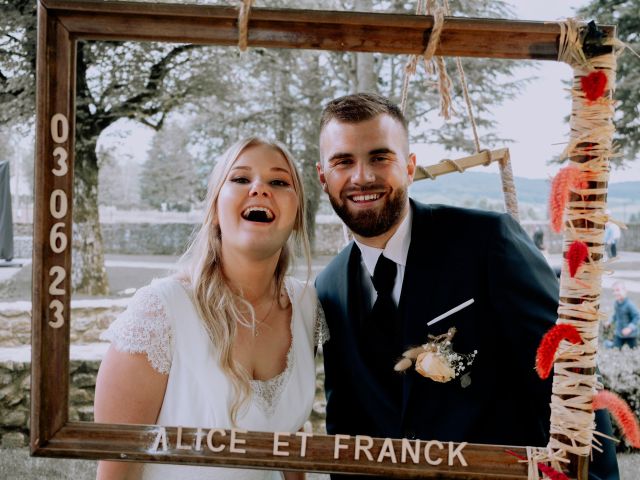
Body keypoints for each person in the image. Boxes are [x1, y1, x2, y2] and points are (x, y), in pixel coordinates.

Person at [314, 93, 618, 479]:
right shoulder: (328, 288)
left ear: (409, 166)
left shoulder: (488, 242)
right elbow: (346, 427)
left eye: (380, 157)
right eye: (343, 161)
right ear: (323, 176)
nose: (362, 177)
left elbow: (570, 377)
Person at [94, 137, 327, 480]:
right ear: (215, 209)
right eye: (240, 179)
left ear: (296, 216)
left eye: (279, 181)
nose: (260, 189)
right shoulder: (161, 312)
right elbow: (116, 469)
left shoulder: (307, 307)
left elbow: (289, 441)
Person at [608, 281, 639, 349]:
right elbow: (616, 315)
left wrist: (629, 328)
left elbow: (637, 316)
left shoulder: (629, 304)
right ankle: (610, 344)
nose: (615, 293)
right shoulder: (616, 303)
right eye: (614, 291)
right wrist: (609, 321)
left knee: (634, 348)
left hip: (631, 335)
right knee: (615, 348)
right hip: (619, 333)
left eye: (618, 290)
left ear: (625, 291)